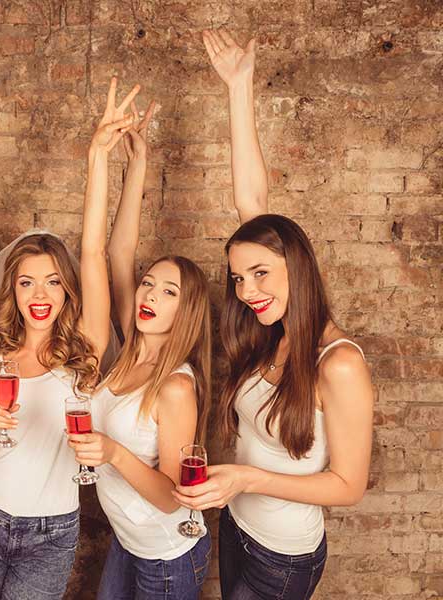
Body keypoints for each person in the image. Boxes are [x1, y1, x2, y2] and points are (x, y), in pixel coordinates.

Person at [174, 29, 374, 600]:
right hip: (238, 529)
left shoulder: (339, 363)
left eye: (262, 273)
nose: (247, 290)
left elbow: (349, 485)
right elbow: (252, 207)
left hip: (284, 559)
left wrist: (246, 478)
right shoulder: (272, 335)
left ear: (297, 266)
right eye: (239, 278)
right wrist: (239, 89)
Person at [0, 78, 139, 599]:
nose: (40, 292)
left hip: (52, 530)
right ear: (14, 291)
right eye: (27, 281)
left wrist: (97, 156)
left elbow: (94, 251)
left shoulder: (83, 352)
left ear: (66, 289)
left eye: (52, 280)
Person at [66, 86, 213, 599]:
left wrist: (112, 452)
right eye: (148, 282)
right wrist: (138, 164)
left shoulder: (175, 386)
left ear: (186, 310)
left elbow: (174, 498)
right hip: (131, 541)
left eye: (167, 291)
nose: (149, 293)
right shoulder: (130, 344)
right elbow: (117, 249)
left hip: (168, 553)